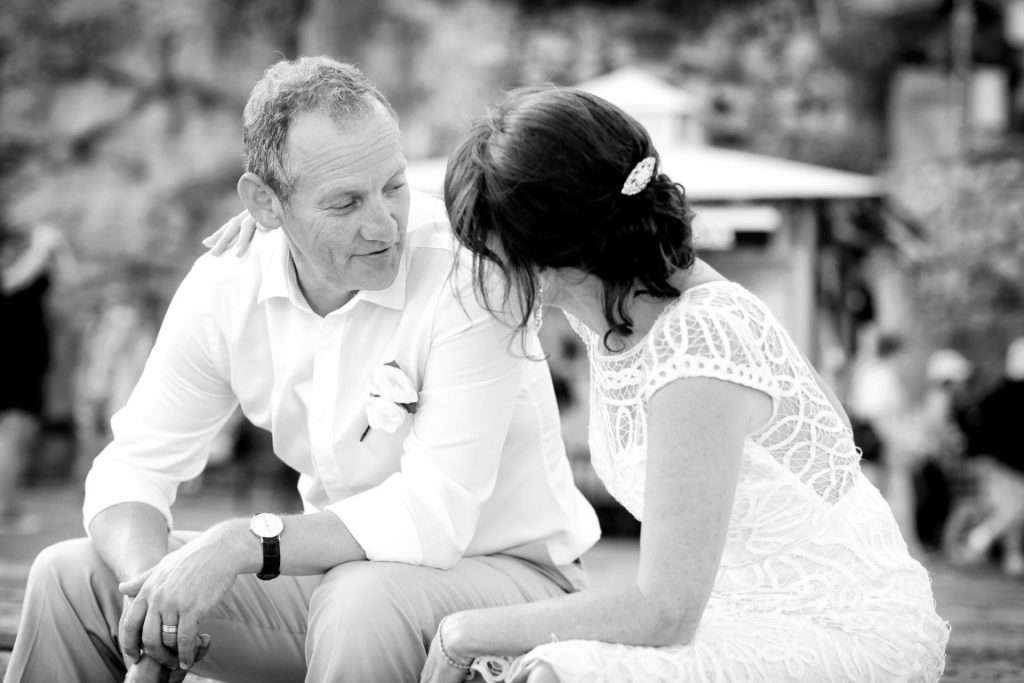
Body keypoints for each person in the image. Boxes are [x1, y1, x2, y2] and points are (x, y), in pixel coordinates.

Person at [4, 57, 600, 683]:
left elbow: (434, 513)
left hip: (518, 581)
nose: (383, 224)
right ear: (265, 202)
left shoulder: (472, 276)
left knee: (362, 600)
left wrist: (243, 542)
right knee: (71, 576)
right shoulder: (225, 286)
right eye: (345, 202)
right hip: (339, 585)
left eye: (393, 186)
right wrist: (155, 601)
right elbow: (133, 464)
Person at [415, 85, 948, 682]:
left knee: (555, 669)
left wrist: (465, 629)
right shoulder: (628, 313)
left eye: (486, 249)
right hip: (734, 614)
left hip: (835, 630)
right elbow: (828, 431)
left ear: (543, 257)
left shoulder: (697, 338)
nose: (481, 268)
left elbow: (664, 610)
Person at [0, 219, 69, 533]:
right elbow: (13, 281)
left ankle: (10, 503)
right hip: (11, 366)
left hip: (30, 367)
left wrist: (59, 246)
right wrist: (41, 246)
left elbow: (71, 278)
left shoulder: (33, 266)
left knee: (22, 438)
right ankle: (6, 508)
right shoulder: (17, 272)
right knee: (12, 439)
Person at [955, 336, 1024, 577]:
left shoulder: (996, 394)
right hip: (1008, 464)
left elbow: (969, 419)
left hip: (999, 462)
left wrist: (975, 449)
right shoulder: (1007, 394)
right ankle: (979, 541)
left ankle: (1012, 557)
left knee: (1011, 510)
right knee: (1013, 510)